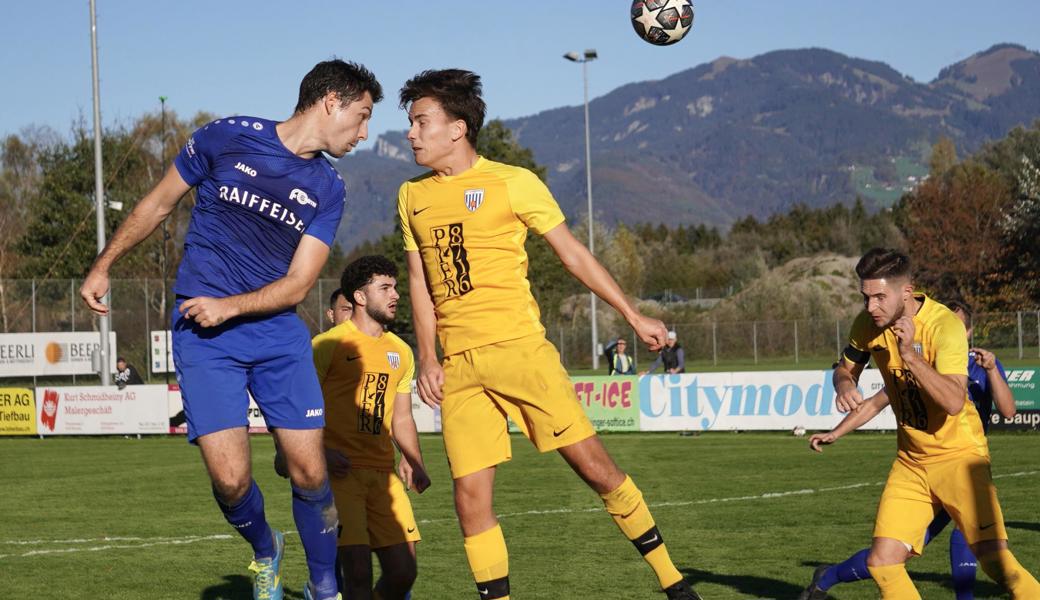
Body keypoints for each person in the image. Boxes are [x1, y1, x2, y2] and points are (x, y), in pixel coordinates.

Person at [79, 59, 383, 600]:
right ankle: (267, 548)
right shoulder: (227, 137)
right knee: (230, 481)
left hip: (275, 335)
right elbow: (157, 203)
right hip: (203, 336)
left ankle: (324, 587)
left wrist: (231, 307)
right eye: (361, 116)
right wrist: (104, 265)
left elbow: (297, 284)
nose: (363, 132)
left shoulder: (328, 189)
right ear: (331, 101)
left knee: (309, 472)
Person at [396, 69, 701, 600]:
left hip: (521, 353)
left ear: (458, 128)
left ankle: (673, 583)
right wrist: (427, 356)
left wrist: (633, 314)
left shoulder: (514, 182)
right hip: (460, 369)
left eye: (422, 121)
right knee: (469, 500)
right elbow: (419, 282)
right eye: (411, 123)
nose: (411, 133)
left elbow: (574, 254)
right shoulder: (410, 196)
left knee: (597, 471)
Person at [804, 248, 1039, 599]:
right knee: (882, 563)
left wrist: (909, 356)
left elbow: (953, 401)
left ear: (906, 291)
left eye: (880, 297)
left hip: (961, 460)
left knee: (997, 565)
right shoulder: (867, 324)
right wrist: (844, 384)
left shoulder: (944, 326)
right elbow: (844, 368)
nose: (871, 307)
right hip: (912, 463)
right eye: (865, 297)